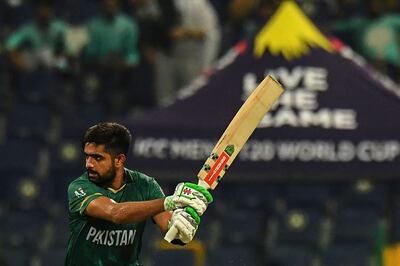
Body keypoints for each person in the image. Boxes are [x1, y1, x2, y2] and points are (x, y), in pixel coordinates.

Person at [65, 122, 213, 265]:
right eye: (87, 156)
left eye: (97, 158)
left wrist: (180, 228)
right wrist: (172, 201)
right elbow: (116, 213)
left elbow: (169, 229)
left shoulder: (146, 185)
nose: (88, 164)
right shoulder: (79, 187)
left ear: (119, 160)